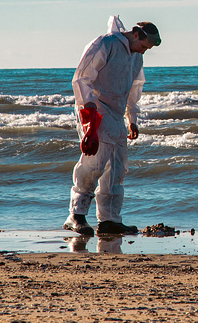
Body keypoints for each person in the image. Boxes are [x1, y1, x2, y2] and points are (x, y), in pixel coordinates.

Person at [64, 15, 161, 237]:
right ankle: (76, 215)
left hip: (117, 115)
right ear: (135, 34)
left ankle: (109, 219)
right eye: (143, 45)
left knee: (117, 168)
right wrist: (87, 106)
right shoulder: (105, 44)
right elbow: (81, 77)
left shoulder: (136, 57)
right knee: (94, 163)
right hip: (95, 110)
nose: (144, 51)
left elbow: (134, 90)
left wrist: (132, 119)